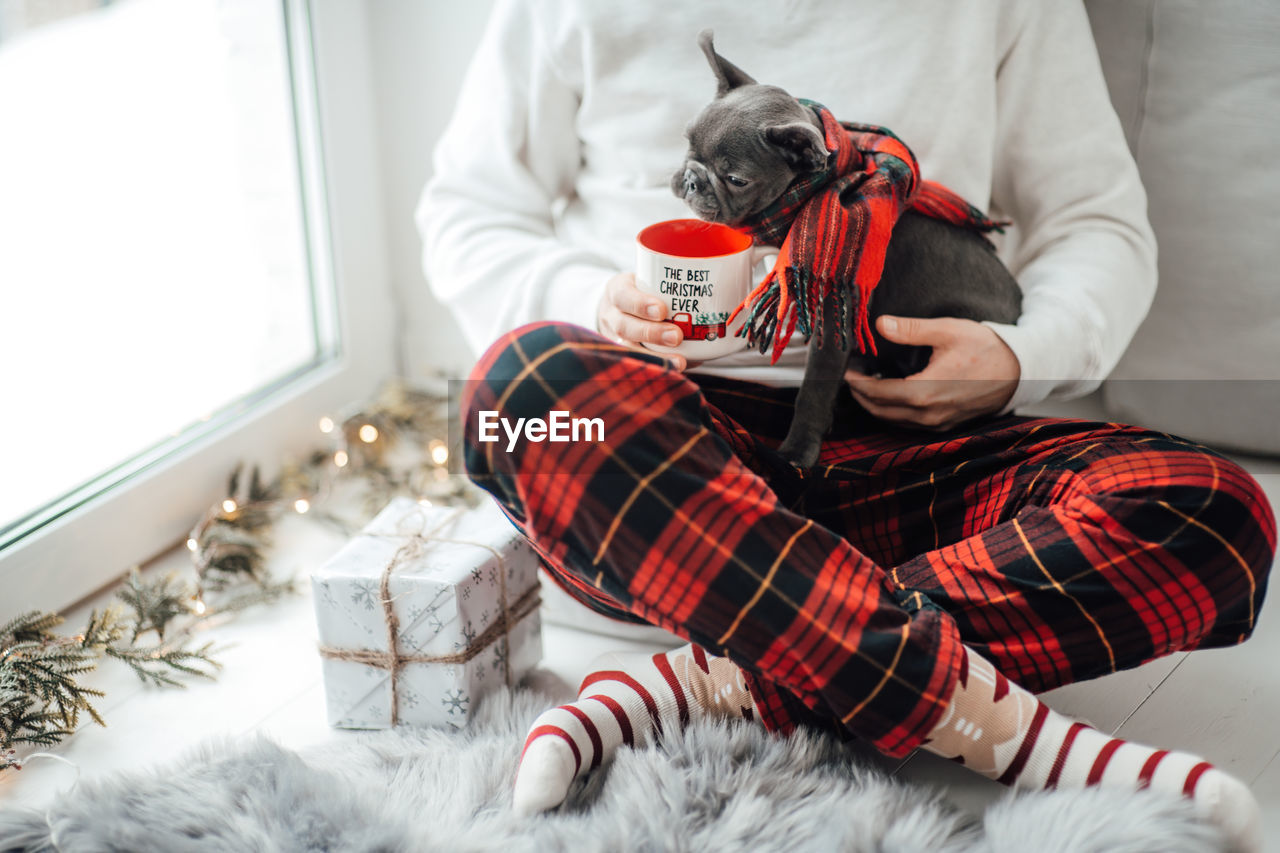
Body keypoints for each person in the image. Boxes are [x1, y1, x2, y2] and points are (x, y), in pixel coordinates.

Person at [418, 1, 1275, 847]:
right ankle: (1026, 739)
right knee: (524, 392)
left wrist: (1018, 356)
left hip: (921, 452)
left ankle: (704, 681)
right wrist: (598, 304)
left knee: (1212, 507)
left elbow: (1099, 221)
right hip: (678, 473)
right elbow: (469, 211)